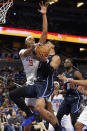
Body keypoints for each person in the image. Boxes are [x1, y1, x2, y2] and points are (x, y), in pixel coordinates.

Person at [9, 3, 61, 131]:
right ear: (26, 43)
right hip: (32, 83)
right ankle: (31, 115)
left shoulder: (40, 49)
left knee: (47, 110)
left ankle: (57, 128)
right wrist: (34, 47)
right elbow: (28, 53)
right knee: (29, 115)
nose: (32, 40)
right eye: (30, 40)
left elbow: (44, 32)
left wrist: (44, 15)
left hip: (43, 84)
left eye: (33, 39)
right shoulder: (23, 52)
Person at [57, 58, 83, 128]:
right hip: (67, 98)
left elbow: (83, 84)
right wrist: (60, 91)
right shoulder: (63, 74)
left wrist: (76, 88)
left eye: (67, 62)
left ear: (71, 64)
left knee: (74, 120)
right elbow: (65, 89)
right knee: (57, 117)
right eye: (65, 62)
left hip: (75, 98)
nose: (65, 63)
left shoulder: (76, 73)